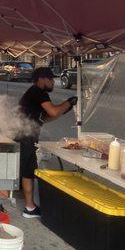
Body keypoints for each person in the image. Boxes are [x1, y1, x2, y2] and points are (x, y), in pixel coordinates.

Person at [17, 67, 77, 218]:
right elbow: (54, 111)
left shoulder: (34, 93)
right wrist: (68, 102)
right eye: (51, 79)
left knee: (25, 168)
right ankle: (30, 208)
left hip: (25, 133)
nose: (53, 83)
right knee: (28, 170)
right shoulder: (38, 91)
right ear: (42, 79)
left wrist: (66, 108)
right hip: (24, 135)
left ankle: (19, 200)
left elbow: (47, 117)